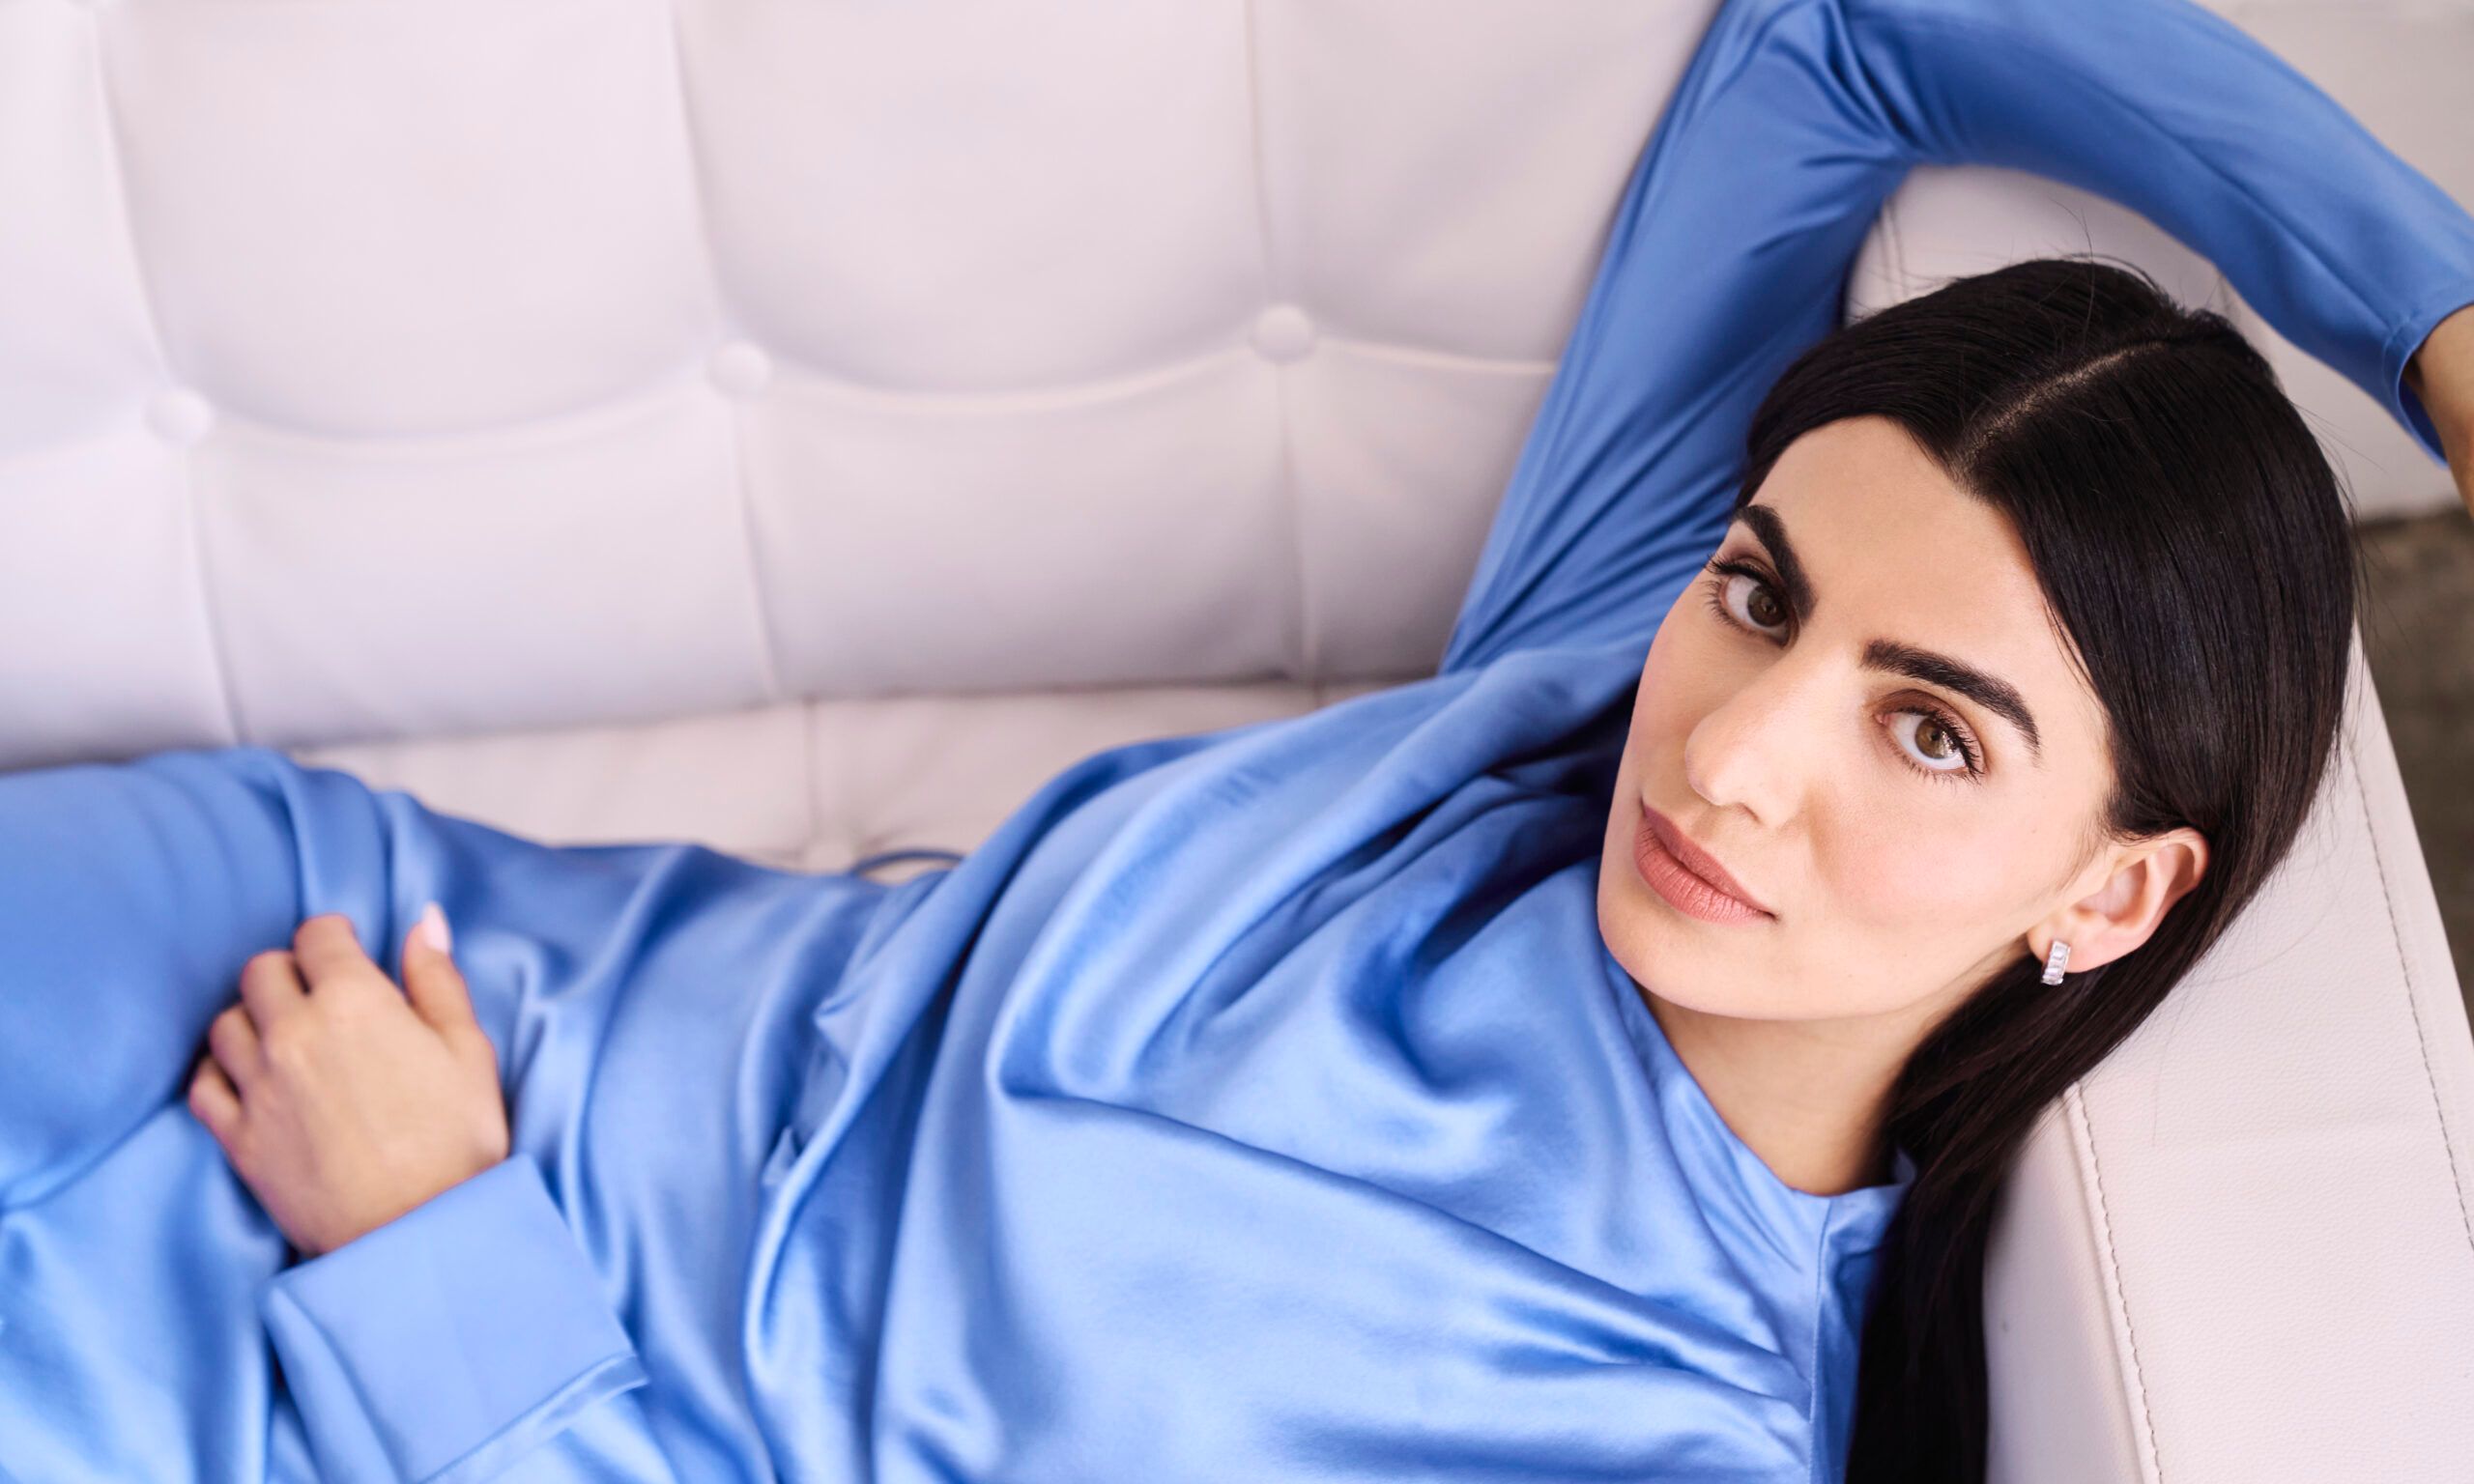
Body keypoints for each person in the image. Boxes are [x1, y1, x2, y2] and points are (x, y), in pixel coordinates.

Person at [3, 0, 2471, 1480]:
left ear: (2110, 886)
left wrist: (433, 1240)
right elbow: (1842, 33)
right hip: (301, 941)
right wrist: (2437, 326)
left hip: (364, 1373)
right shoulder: (1577, 690)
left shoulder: (1649, 1430)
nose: (1723, 756)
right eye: (1761, 597)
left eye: (1926, 739)